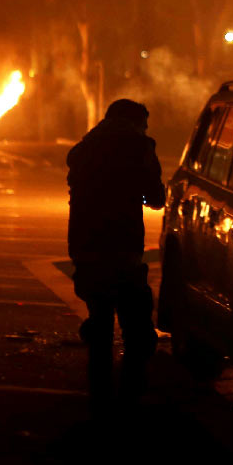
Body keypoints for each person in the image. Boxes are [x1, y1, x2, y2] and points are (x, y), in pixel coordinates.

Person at [66, 98, 165, 414]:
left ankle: (99, 397)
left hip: (87, 247)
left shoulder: (85, 148)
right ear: (136, 122)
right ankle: (130, 398)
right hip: (122, 248)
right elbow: (156, 198)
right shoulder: (139, 147)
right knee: (136, 327)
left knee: (99, 324)